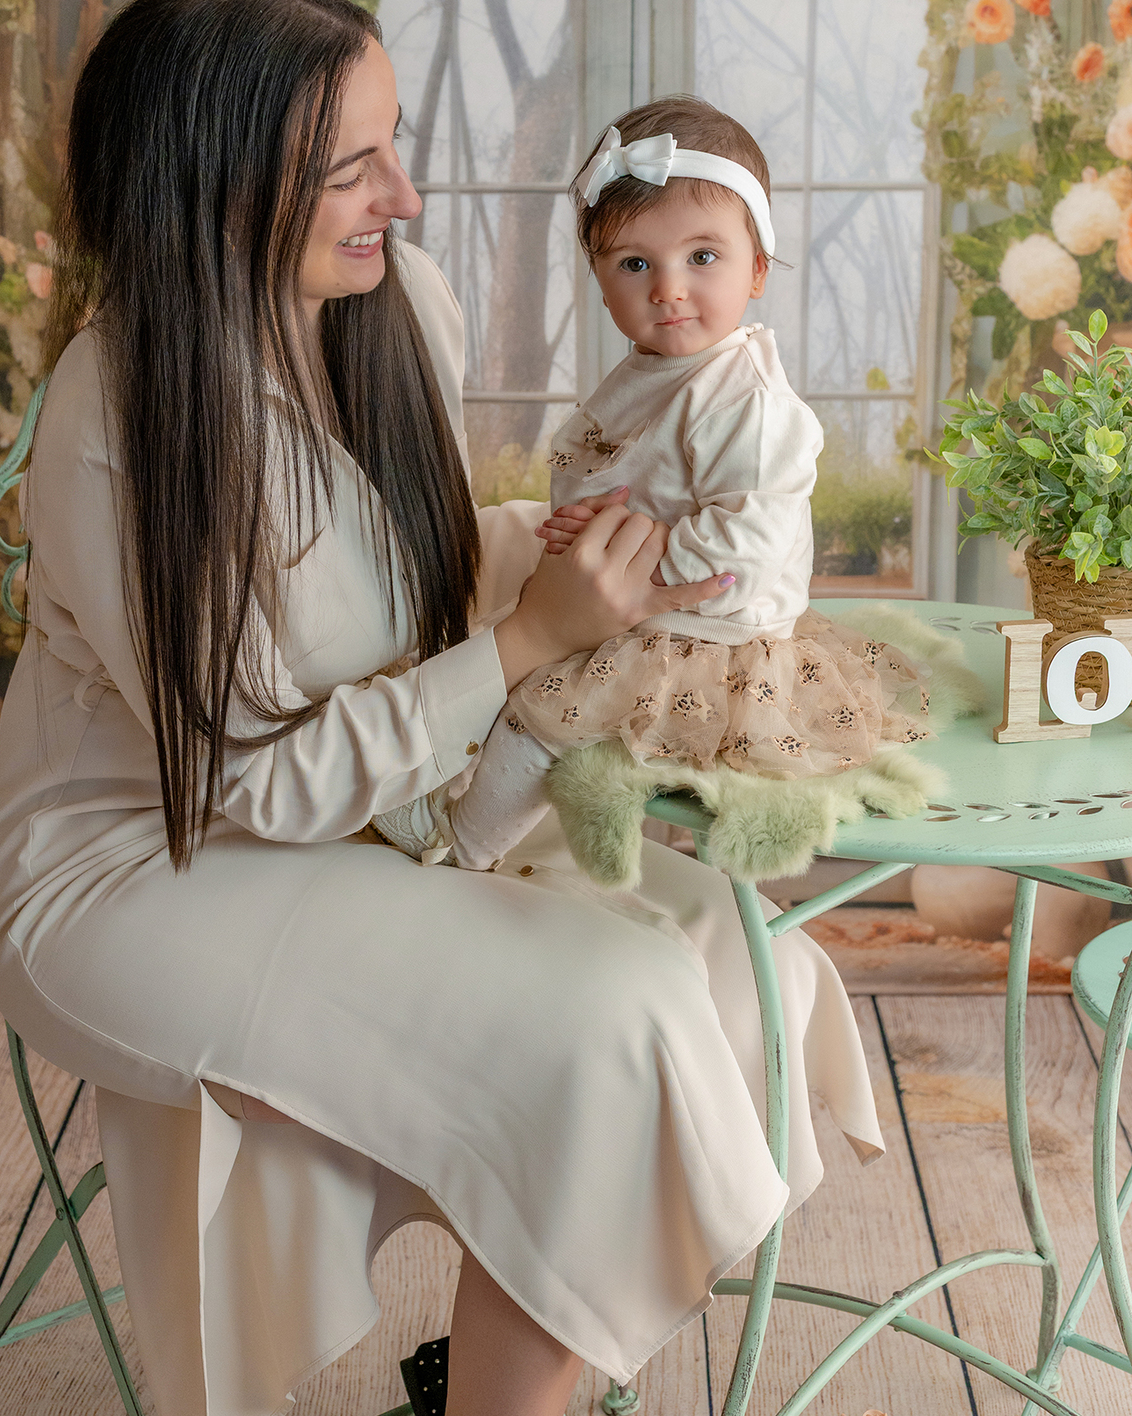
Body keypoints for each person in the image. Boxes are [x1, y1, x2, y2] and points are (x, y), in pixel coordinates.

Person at [0, 0, 884, 1416]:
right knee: (617, 1008)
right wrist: (530, 646)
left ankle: (512, 1363)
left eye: (394, 144)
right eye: (356, 167)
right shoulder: (127, 426)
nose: (405, 194)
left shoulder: (392, 305)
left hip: (382, 796)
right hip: (154, 864)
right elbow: (250, 782)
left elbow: (406, 572)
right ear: (213, 186)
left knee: (734, 955)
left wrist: (585, 563)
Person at [373, 98, 937, 878]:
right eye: (635, 265)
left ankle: (466, 846)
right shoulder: (662, 368)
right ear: (602, 284)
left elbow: (756, 544)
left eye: (703, 258)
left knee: (544, 719)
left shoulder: (746, 398)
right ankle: (430, 781)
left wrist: (637, 555)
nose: (669, 289)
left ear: (759, 269)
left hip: (696, 629)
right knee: (492, 646)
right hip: (620, 596)